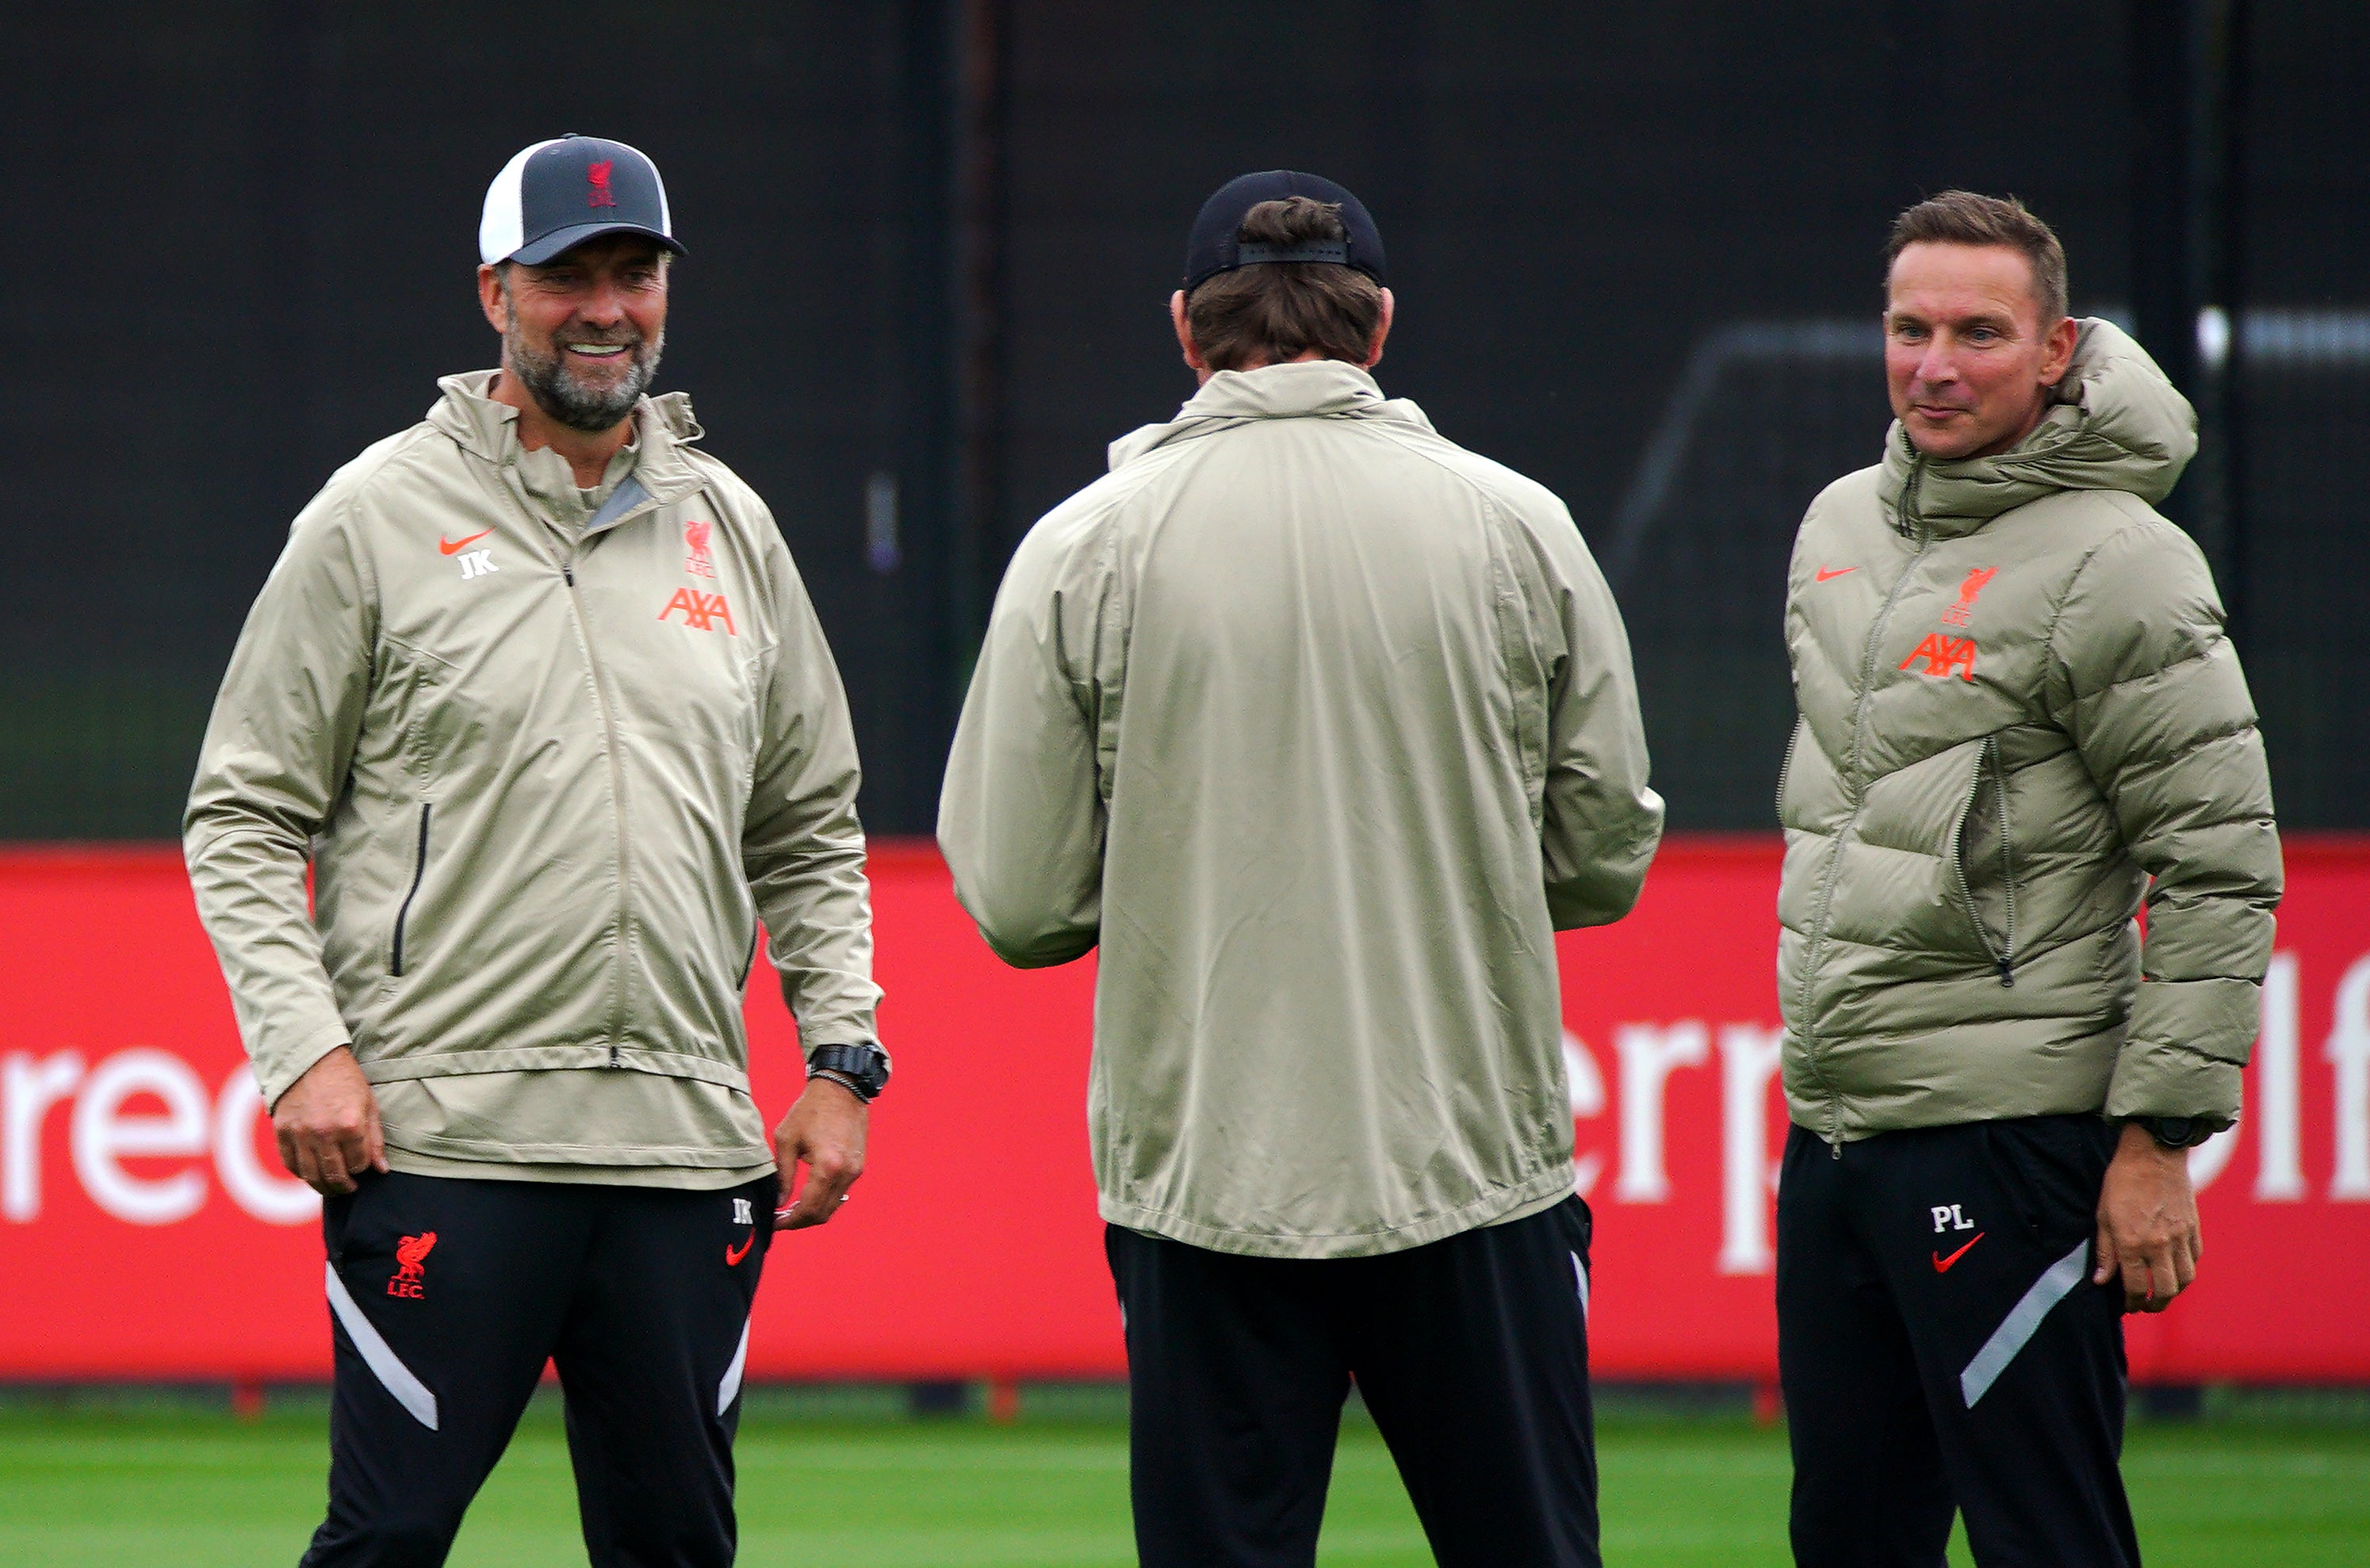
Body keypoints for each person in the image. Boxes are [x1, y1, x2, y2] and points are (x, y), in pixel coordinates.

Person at [184, 134, 891, 1567]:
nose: (604, 307)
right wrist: (303, 1048)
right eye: (567, 276)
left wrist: (839, 1057)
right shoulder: (374, 515)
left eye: (634, 274)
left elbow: (808, 825)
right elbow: (244, 812)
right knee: (386, 1539)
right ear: (494, 290)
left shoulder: (732, 527)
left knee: (677, 1547)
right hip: (448, 1135)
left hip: (685, 1153)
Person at [940, 170, 1664, 1568]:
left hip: (1210, 1179)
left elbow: (1022, 905)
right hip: (1469, 1168)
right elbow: (1600, 857)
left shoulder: (1086, 544)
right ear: (1378, 323)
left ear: (1185, 327)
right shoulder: (1517, 524)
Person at [1773, 190, 2282, 1566]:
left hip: (2009, 1141)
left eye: (1977, 333)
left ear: (2056, 349)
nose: (1933, 362)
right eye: (1908, 327)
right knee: (1844, 1540)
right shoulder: (1837, 525)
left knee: (2044, 1537)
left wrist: (2157, 1139)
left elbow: (2219, 864)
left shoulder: (2123, 559)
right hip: (1831, 1133)